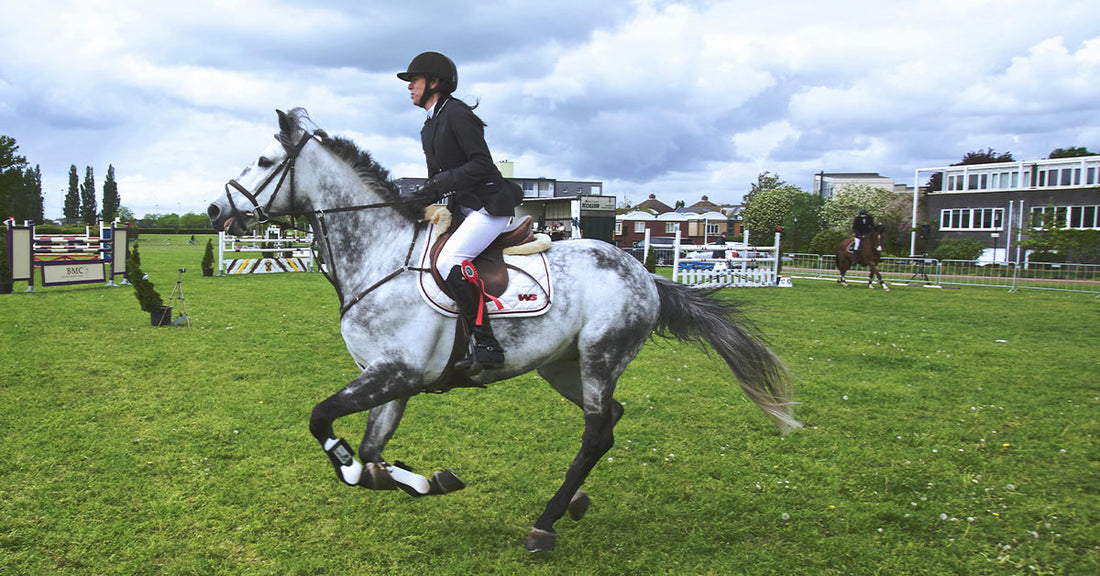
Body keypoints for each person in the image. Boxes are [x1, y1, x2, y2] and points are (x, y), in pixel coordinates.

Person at [399, 51, 523, 376]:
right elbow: (435, 181)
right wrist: (417, 202)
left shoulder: (457, 114)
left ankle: (486, 344)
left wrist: (437, 184)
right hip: (462, 210)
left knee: (448, 261)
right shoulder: (429, 127)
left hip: (489, 206)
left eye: (414, 80)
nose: (409, 86)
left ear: (434, 82)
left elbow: (482, 164)